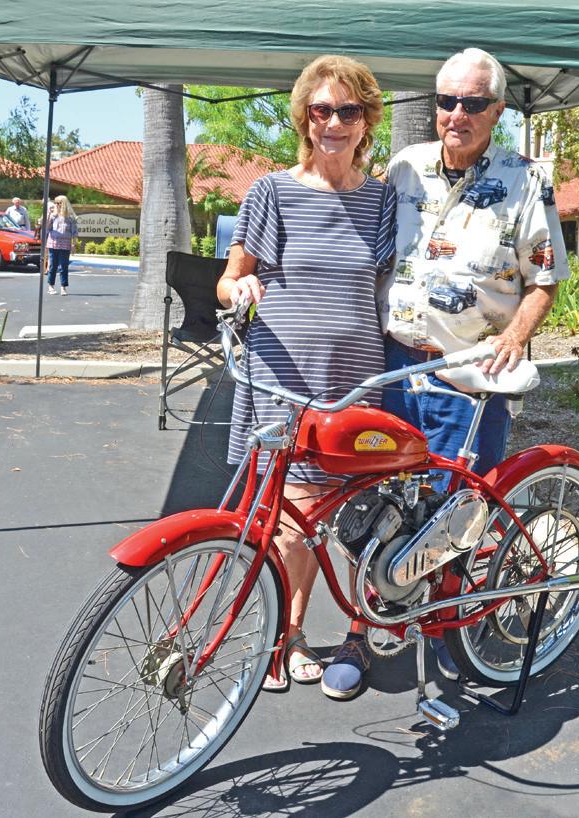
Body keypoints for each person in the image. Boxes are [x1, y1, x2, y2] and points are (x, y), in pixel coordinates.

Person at [382, 48, 570, 679]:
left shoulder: (526, 180)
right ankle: (370, 626)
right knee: (379, 504)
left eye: (473, 102)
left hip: (467, 377)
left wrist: (516, 334)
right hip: (393, 367)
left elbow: (544, 279)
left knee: (455, 512)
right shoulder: (404, 168)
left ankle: (443, 632)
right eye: (447, 101)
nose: (456, 114)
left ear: (498, 109)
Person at [216, 55, 396, 701]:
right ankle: (288, 637)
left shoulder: (382, 200)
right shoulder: (271, 192)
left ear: (367, 120)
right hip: (282, 377)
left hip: (355, 379)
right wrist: (240, 289)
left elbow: (391, 290)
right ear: (304, 117)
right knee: (292, 521)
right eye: (322, 110)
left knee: (360, 515)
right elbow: (229, 278)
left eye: (348, 110)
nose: (334, 123)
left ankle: (357, 633)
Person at [46, 195, 78, 295]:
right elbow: (47, 228)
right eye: (55, 203)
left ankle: (63, 287)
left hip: (65, 244)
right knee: (53, 266)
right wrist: (50, 215)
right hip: (53, 243)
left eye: (59, 203)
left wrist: (74, 245)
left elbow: (74, 232)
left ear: (64, 204)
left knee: (64, 267)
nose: (56, 205)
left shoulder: (70, 217)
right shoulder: (53, 215)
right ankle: (51, 286)